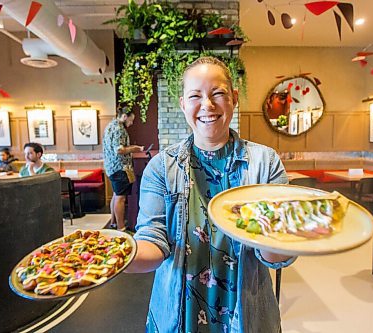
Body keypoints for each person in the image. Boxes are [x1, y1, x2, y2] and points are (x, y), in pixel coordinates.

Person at [126, 56, 294, 332]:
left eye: (218, 93)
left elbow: (274, 256)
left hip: (248, 314)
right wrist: (115, 260)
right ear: (183, 105)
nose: (207, 105)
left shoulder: (265, 163)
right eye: (195, 96)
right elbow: (152, 241)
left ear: (234, 98)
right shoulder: (162, 167)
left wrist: (286, 234)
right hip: (179, 314)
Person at [102, 106, 144, 231]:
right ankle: (122, 228)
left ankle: (114, 222)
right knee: (121, 197)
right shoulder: (119, 129)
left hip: (111, 167)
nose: (131, 123)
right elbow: (119, 150)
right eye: (130, 120)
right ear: (124, 117)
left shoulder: (110, 126)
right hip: (120, 168)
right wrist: (136, 148)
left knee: (116, 195)